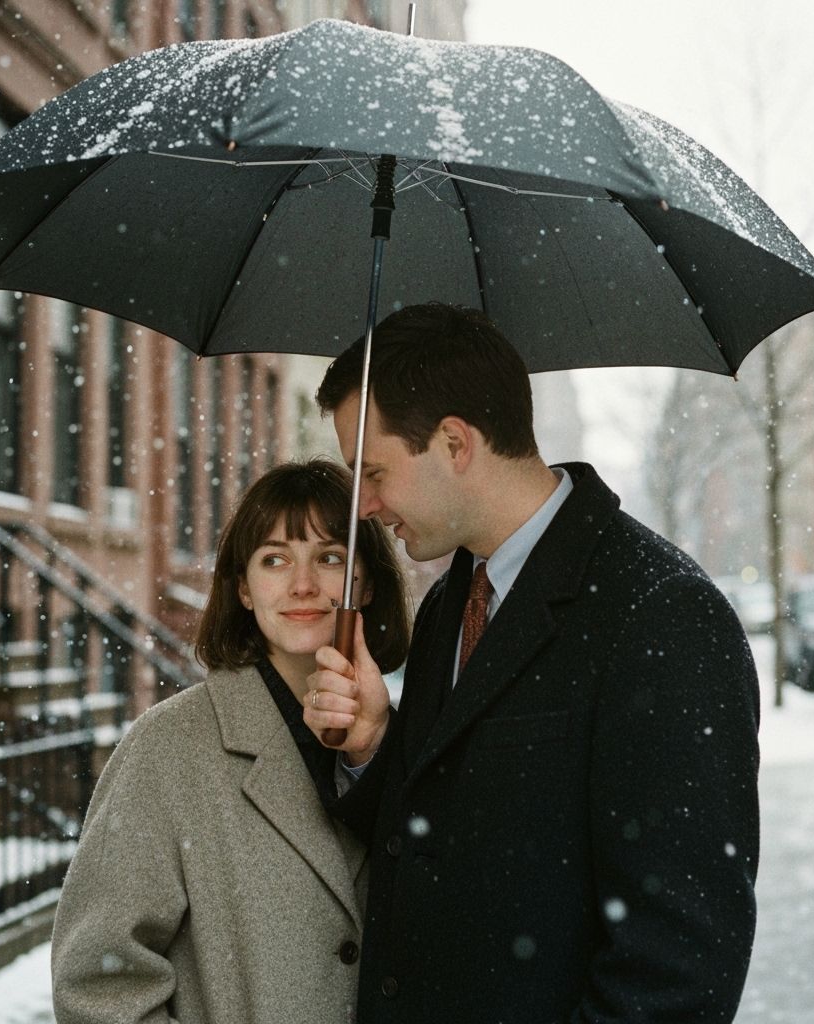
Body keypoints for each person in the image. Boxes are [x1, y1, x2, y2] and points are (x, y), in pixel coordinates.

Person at [304, 303, 761, 1024]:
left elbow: (680, 963)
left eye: (375, 471)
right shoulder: (449, 604)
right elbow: (442, 833)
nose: (362, 505)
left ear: (455, 442)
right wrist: (372, 743)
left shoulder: (661, 614)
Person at [51, 458, 411, 1024]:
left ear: (365, 583)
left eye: (331, 558)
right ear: (243, 588)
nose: (303, 584)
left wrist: (376, 752)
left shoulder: (412, 744)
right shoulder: (167, 749)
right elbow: (97, 985)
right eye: (274, 560)